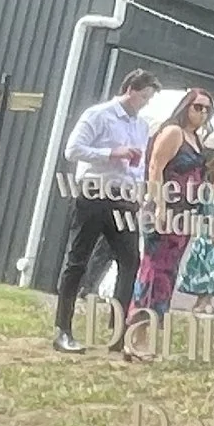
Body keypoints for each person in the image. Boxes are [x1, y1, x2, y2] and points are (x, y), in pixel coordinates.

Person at [51, 68, 158, 352]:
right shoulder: (98, 115)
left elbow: (140, 163)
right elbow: (72, 150)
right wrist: (111, 153)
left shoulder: (142, 126)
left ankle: (117, 332)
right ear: (130, 90)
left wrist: (141, 192)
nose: (145, 103)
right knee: (78, 260)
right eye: (144, 97)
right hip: (94, 193)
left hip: (125, 198)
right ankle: (63, 329)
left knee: (130, 260)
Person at [123, 90, 214, 357]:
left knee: (167, 275)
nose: (202, 113)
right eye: (198, 107)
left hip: (185, 216)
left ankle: (147, 337)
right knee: (152, 273)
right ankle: (134, 338)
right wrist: (160, 205)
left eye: (207, 109)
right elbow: (155, 167)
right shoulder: (173, 132)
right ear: (186, 106)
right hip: (166, 212)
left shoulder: (196, 139)